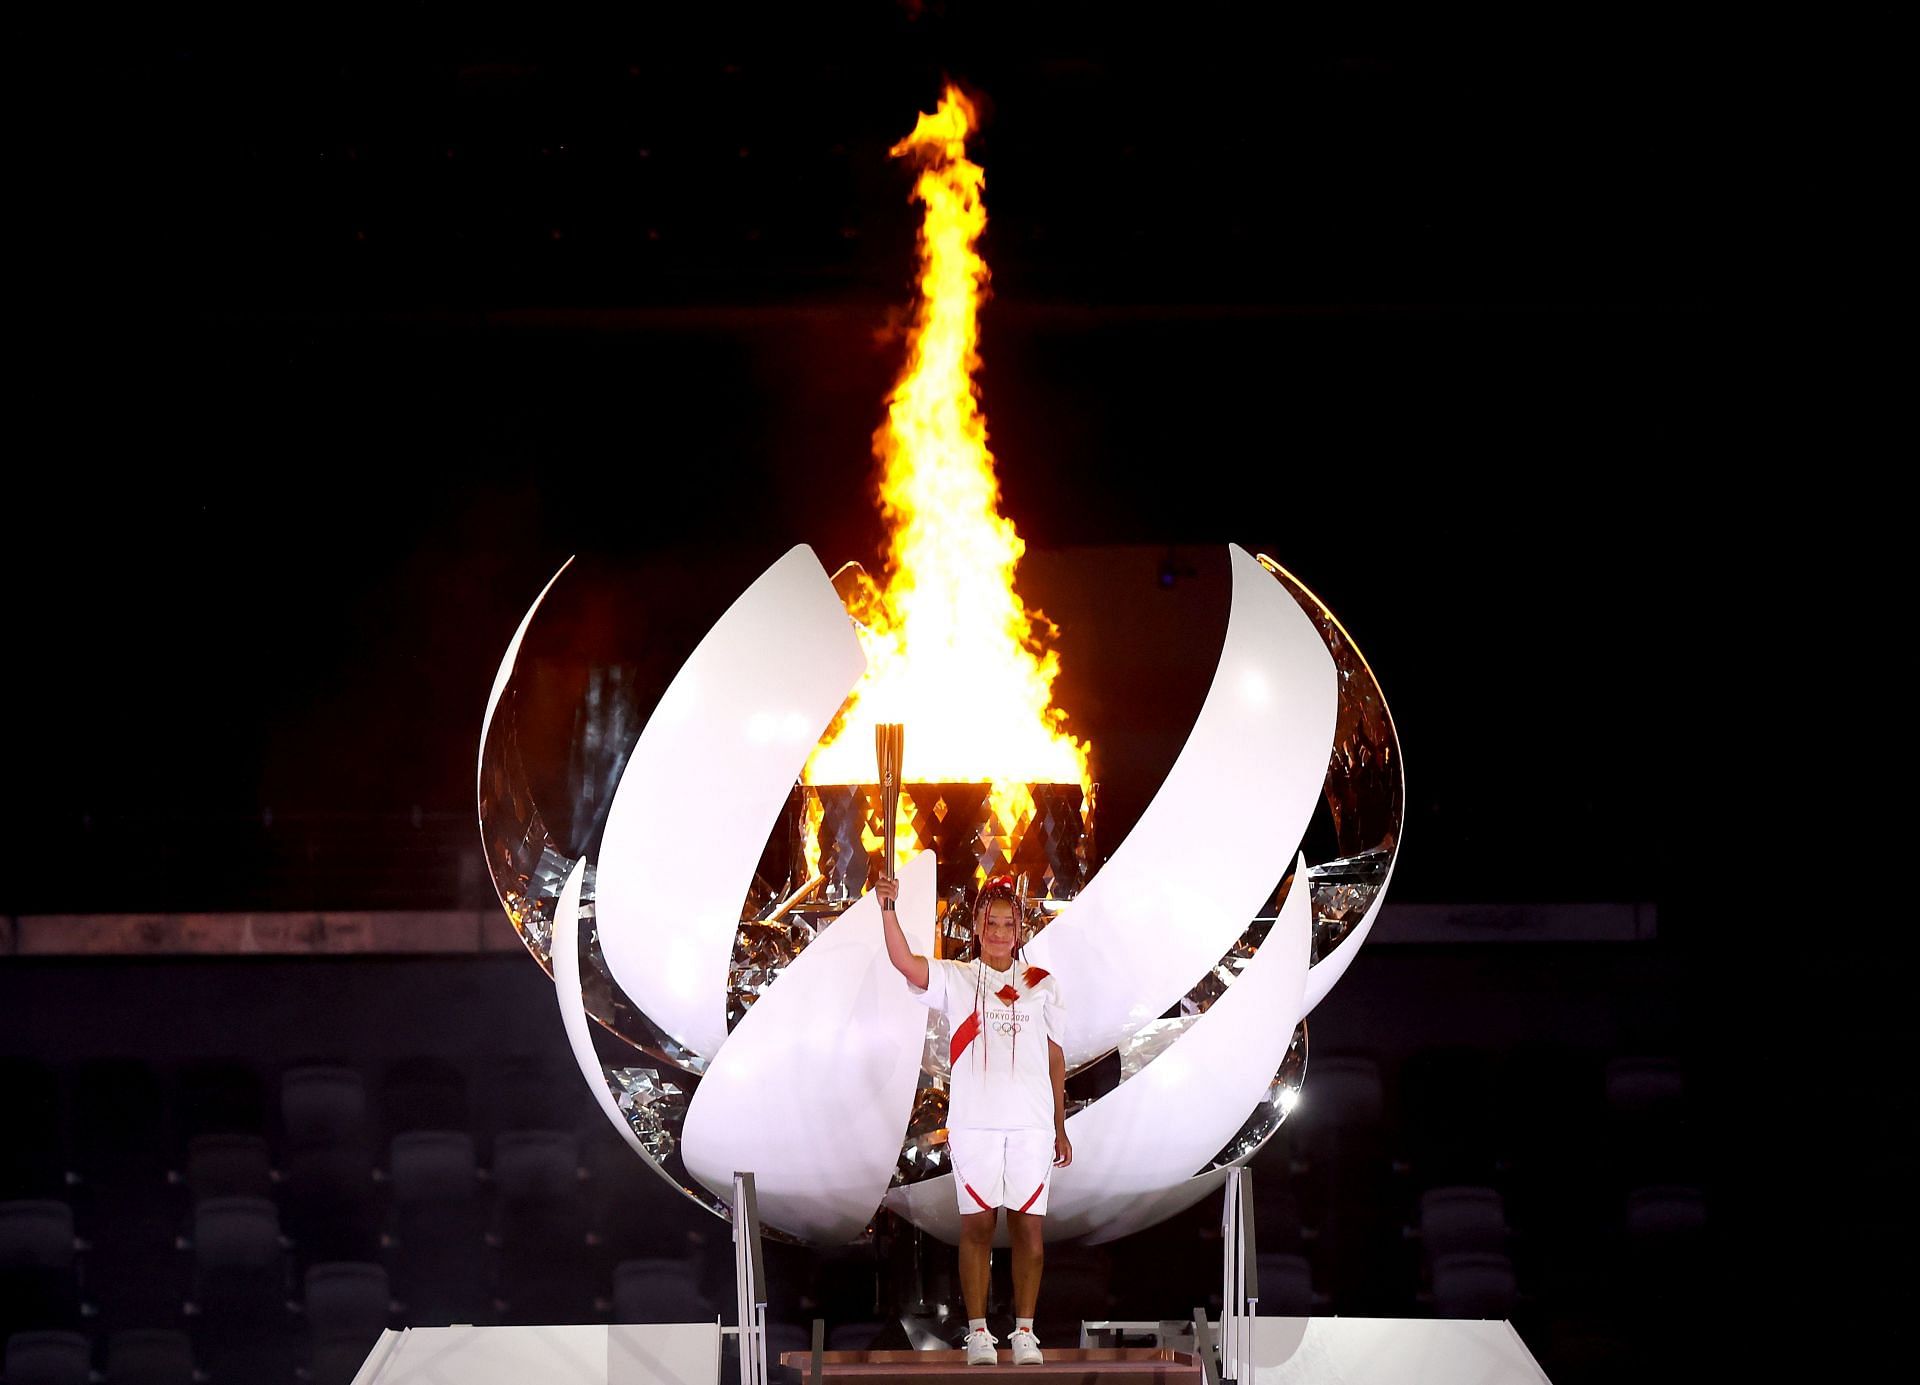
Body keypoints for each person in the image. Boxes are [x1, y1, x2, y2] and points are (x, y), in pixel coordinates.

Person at [877, 870, 1072, 1367]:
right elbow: (904, 962)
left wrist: (1059, 1124)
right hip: (976, 1125)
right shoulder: (958, 978)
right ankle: (980, 1333)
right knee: (978, 1228)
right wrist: (888, 909)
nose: (1000, 931)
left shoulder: (1042, 985)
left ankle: (1025, 1332)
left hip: (1030, 1126)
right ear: (978, 925)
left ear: (1020, 928)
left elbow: (1054, 1059)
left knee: (1029, 1230)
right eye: (991, 921)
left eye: (1008, 923)